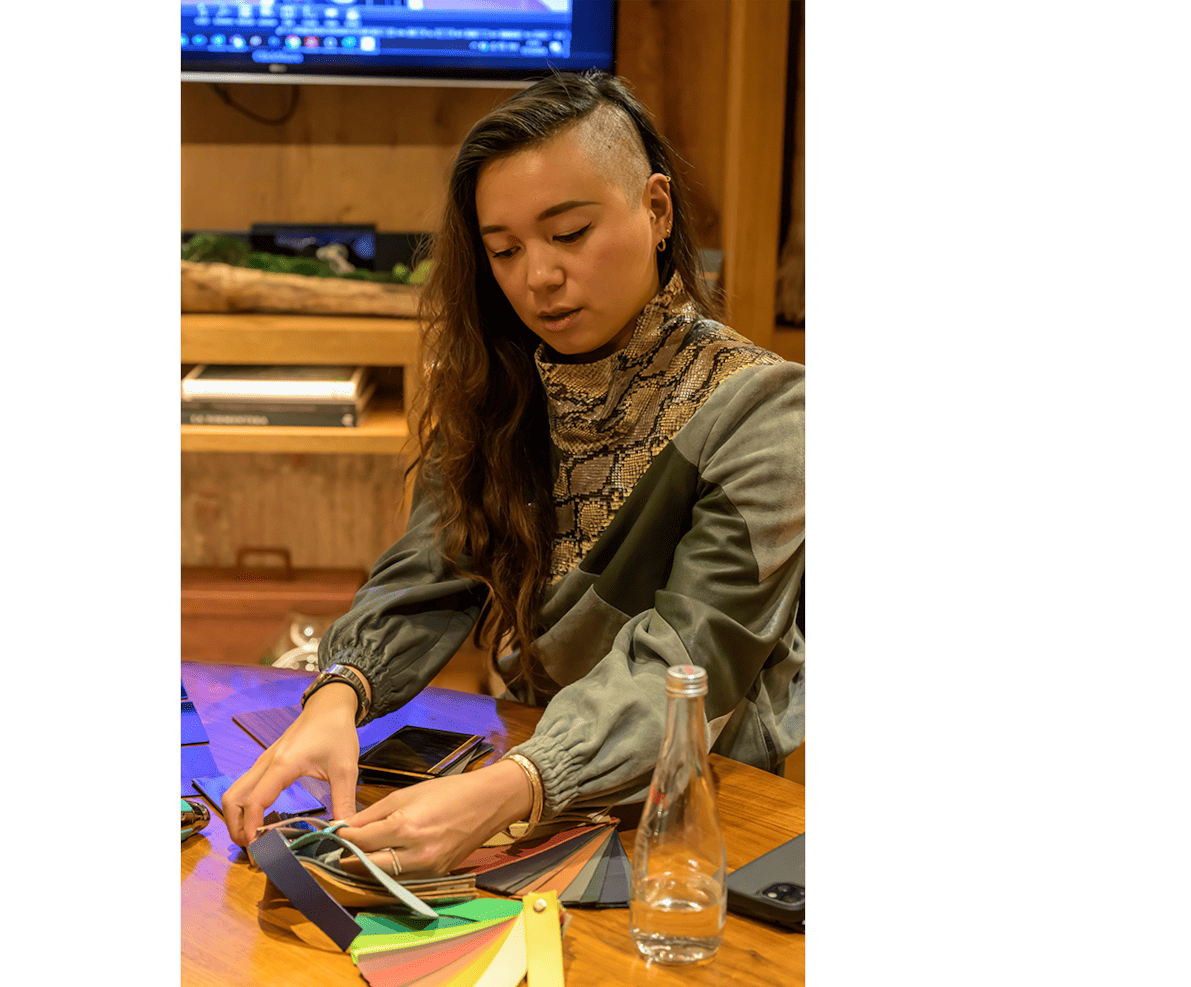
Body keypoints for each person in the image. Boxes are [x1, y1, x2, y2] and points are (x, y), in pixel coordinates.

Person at [221, 71, 806, 877]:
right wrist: (338, 694)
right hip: (523, 789)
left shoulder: (766, 409)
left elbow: (684, 669)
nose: (538, 277)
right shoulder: (499, 384)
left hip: (698, 809)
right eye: (505, 250)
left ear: (658, 210)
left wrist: (511, 787)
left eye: (569, 233)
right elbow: (427, 571)